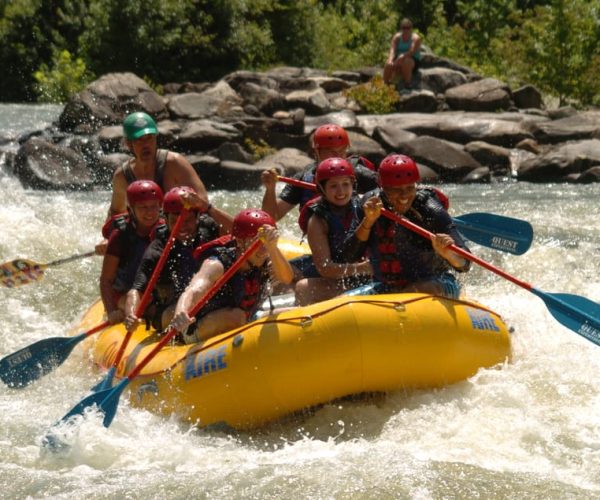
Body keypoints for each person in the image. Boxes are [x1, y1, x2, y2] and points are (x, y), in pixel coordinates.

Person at [261, 123, 378, 280]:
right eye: (331, 152)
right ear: (316, 152)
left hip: (356, 250)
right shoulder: (304, 177)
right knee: (273, 273)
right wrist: (270, 189)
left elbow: (391, 192)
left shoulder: (357, 173)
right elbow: (271, 217)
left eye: (342, 151)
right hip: (324, 250)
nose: (337, 157)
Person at [344, 154, 470, 298]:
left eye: (410, 188)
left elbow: (465, 264)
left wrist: (449, 254)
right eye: (396, 190)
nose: (404, 196)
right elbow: (349, 256)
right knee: (342, 300)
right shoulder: (369, 204)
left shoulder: (430, 209)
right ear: (382, 187)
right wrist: (368, 222)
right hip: (387, 287)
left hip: (437, 284)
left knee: (421, 288)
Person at [95, 111, 219, 254]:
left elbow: (203, 201)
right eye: (139, 140)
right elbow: (116, 213)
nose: (146, 144)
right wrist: (107, 238)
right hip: (147, 242)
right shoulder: (122, 176)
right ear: (129, 143)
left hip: (181, 237)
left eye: (149, 138)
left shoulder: (175, 164)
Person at [170, 209, 294, 343]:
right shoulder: (217, 264)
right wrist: (182, 310)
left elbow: (287, 278)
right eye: (257, 242)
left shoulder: (265, 255)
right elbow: (195, 289)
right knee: (236, 317)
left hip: (246, 319)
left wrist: (273, 247)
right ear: (240, 242)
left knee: (292, 314)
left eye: (265, 244)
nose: (263, 250)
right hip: (199, 327)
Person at [124, 186, 231, 332]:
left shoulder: (208, 227)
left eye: (188, 220)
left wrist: (207, 207)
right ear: (166, 219)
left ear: (198, 218)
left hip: (205, 298)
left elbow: (240, 232)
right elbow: (137, 289)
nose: (182, 226)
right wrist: (131, 314)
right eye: (175, 221)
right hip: (169, 310)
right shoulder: (158, 248)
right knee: (188, 306)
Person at [294, 158, 372, 306]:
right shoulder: (317, 221)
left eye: (345, 184)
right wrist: (363, 268)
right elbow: (325, 268)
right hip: (342, 277)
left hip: (368, 276)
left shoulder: (365, 206)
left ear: (353, 185)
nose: (341, 191)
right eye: (333, 186)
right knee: (303, 288)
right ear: (322, 189)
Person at [99, 180, 166, 324]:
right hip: (124, 293)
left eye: (154, 206)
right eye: (143, 207)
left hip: (155, 293)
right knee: (143, 306)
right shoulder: (120, 235)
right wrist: (111, 311)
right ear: (131, 210)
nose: (149, 212)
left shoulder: (166, 230)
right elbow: (106, 280)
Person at [383, 18, 422, 89]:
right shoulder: (397, 37)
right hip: (398, 58)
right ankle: (385, 83)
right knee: (388, 64)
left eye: (408, 28)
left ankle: (407, 83)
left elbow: (412, 51)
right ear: (401, 28)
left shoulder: (415, 38)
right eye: (404, 28)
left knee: (406, 61)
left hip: (412, 59)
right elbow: (392, 49)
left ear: (411, 28)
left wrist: (402, 56)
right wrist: (390, 59)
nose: (406, 30)